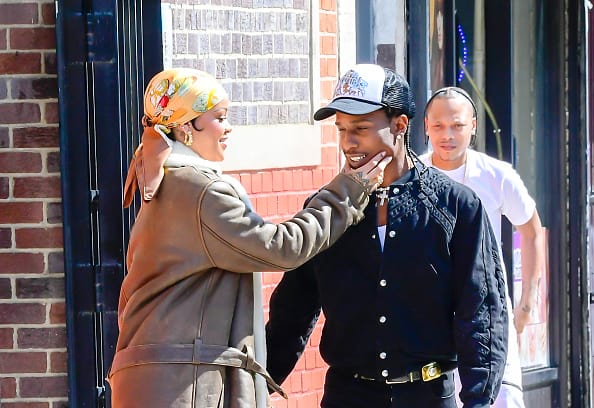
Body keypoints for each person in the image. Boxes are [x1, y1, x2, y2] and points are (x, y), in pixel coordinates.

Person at [107, 68, 391, 408]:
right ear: (185, 127)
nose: (228, 128)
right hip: (183, 384)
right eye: (219, 118)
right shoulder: (200, 190)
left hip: (161, 378)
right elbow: (281, 247)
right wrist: (348, 189)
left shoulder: (168, 180)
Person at [265, 64, 508, 408]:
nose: (348, 142)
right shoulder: (327, 211)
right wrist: (256, 386)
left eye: (361, 129)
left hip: (427, 396)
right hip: (347, 397)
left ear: (400, 125)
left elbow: (481, 310)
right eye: (342, 129)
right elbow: (292, 313)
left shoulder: (455, 206)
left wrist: (478, 399)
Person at [420, 86, 545, 408]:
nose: (447, 135)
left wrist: (526, 304)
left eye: (457, 125)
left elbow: (531, 231)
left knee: (502, 400)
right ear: (425, 128)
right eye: (438, 126)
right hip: (430, 319)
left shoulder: (497, 175)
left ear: (473, 125)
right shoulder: (411, 176)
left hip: (487, 313)